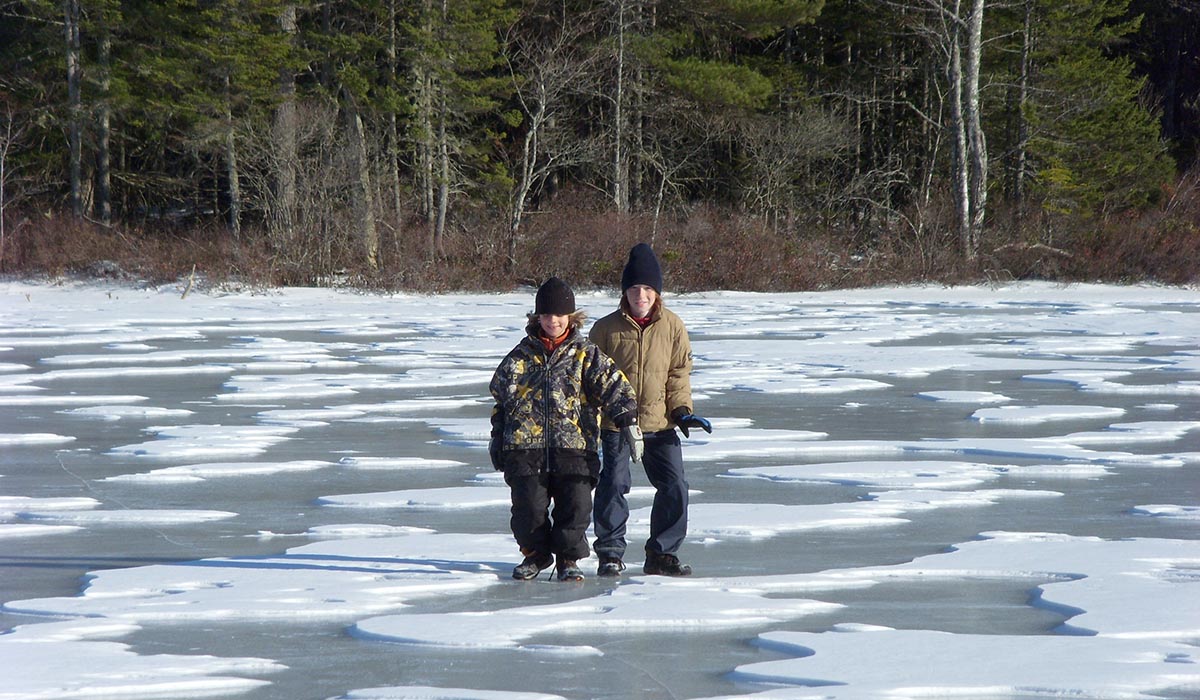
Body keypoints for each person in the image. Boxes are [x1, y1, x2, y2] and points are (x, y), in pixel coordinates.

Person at [489, 276, 642, 582]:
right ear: (537, 317)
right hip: (524, 448)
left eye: (559, 315)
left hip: (574, 447)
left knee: (575, 507)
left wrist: (627, 419)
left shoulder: (585, 355)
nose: (553, 321)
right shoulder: (519, 357)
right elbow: (501, 399)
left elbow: (615, 386)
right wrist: (497, 436)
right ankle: (535, 555)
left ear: (571, 317)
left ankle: (568, 559)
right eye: (546, 315)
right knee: (527, 510)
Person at [590, 243, 712, 577]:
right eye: (633, 288)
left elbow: (678, 374)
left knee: (675, 486)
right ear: (624, 292)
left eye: (646, 288)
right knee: (613, 484)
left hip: (660, 423)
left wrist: (682, 410)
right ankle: (611, 553)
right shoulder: (605, 329)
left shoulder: (673, 327)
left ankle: (661, 553)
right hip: (616, 424)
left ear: (656, 292)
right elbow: (591, 378)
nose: (640, 295)